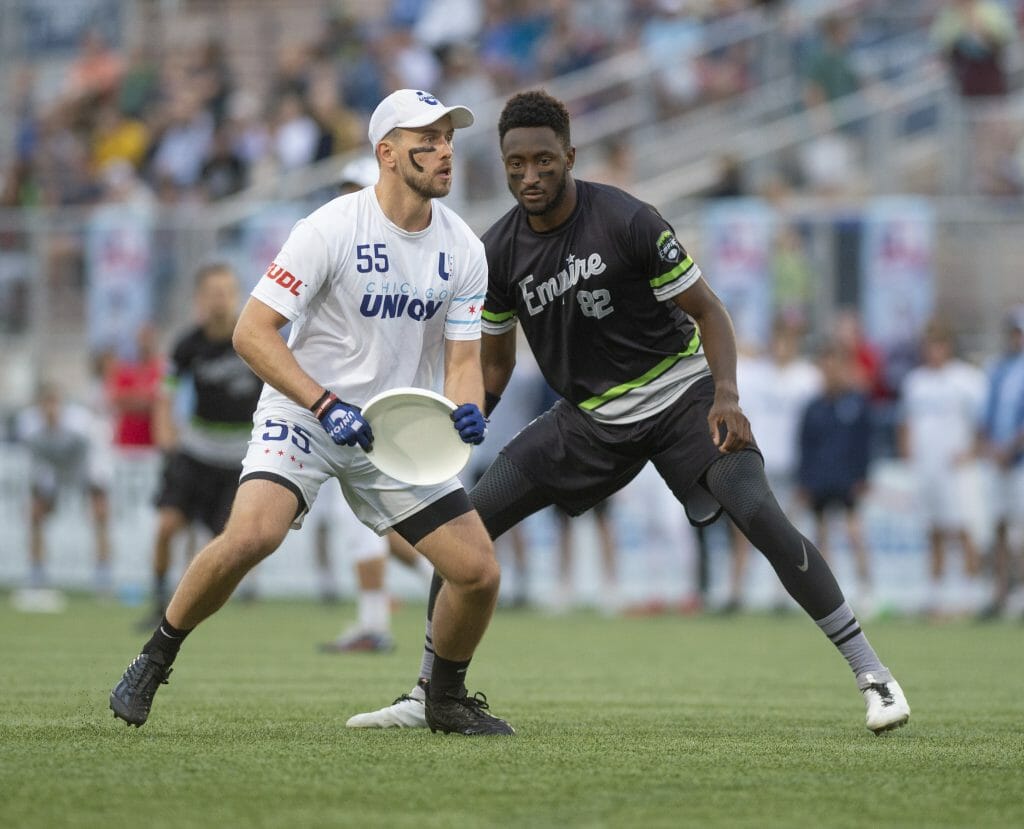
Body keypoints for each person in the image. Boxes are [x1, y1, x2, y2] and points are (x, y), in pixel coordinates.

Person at [346, 90, 910, 734]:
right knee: (464, 534)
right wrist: (457, 433)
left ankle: (874, 675)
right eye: (515, 164)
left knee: (759, 513)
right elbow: (494, 367)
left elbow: (710, 312)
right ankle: (432, 696)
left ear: (570, 157)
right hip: (587, 419)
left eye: (544, 161)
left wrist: (726, 394)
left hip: (682, 398)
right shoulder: (494, 252)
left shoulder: (628, 219)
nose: (530, 176)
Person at [110, 88, 513, 736]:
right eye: (427, 142)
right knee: (252, 536)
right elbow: (252, 331)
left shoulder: (464, 246)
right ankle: (157, 654)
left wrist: (468, 408)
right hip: (307, 411)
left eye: (447, 140)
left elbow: (465, 361)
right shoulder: (330, 227)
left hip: (394, 428)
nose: (444, 153)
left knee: (478, 571)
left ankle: (442, 697)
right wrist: (325, 404)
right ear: (386, 153)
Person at [137, 263, 263, 630]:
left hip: (240, 458)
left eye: (226, 292)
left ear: (238, 296)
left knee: (227, 543)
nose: (220, 300)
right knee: (165, 527)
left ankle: (192, 609)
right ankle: (159, 599)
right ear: (200, 299)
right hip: (195, 454)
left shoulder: (255, 337)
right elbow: (165, 395)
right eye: (212, 293)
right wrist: (166, 437)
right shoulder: (187, 345)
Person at [899, 319, 987, 617]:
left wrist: (972, 451)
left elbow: (982, 423)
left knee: (963, 528)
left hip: (956, 468)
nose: (932, 351)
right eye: (928, 345)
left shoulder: (967, 380)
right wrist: (908, 453)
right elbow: (906, 423)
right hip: (928, 468)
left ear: (947, 347)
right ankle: (935, 596)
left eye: (938, 344)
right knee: (933, 529)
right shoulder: (915, 382)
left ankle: (970, 595)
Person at [797, 341, 875, 614]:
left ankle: (866, 593)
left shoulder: (856, 404)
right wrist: (804, 481)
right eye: (825, 366)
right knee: (821, 541)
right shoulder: (813, 407)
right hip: (819, 480)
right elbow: (805, 446)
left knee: (855, 535)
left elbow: (865, 444)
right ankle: (830, 601)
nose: (830, 372)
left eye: (835, 365)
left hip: (847, 480)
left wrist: (863, 476)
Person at [15, 382, 113, 594]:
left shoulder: (80, 422)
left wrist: (95, 484)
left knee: (100, 511)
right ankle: (36, 573)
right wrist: (41, 490)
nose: (50, 409)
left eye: (54, 403)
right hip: (53, 474)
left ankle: (103, 574)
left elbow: (95, 455)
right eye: (45, 403)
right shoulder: (28, 425)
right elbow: (35, 462)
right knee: (35, 513)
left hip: (83, 469)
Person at [976, 307, 1024, 619]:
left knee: (1020, 528)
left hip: (1019, 461)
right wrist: (991, 448)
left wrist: (1010, 448)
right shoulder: (999, 369)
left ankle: (1020, 593)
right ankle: (1001, 592)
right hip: (999, 460)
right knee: (999, 526)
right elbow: (986, 416)